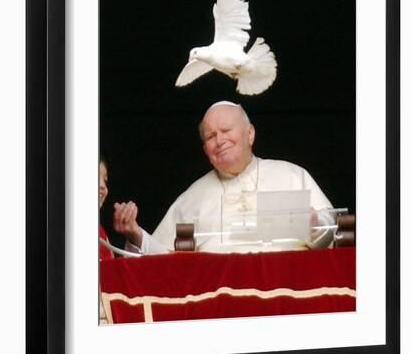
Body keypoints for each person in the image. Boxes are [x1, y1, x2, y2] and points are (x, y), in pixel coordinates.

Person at [113, 101, 335, 254]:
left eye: (226, 130)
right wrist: (136, 234)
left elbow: (333, 237)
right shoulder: (192, 197)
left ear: (250, 134)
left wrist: (314, 225)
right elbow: (165, 260)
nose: (219, 140)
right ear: (205, 150)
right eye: (210, 136)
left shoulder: (291, 175)